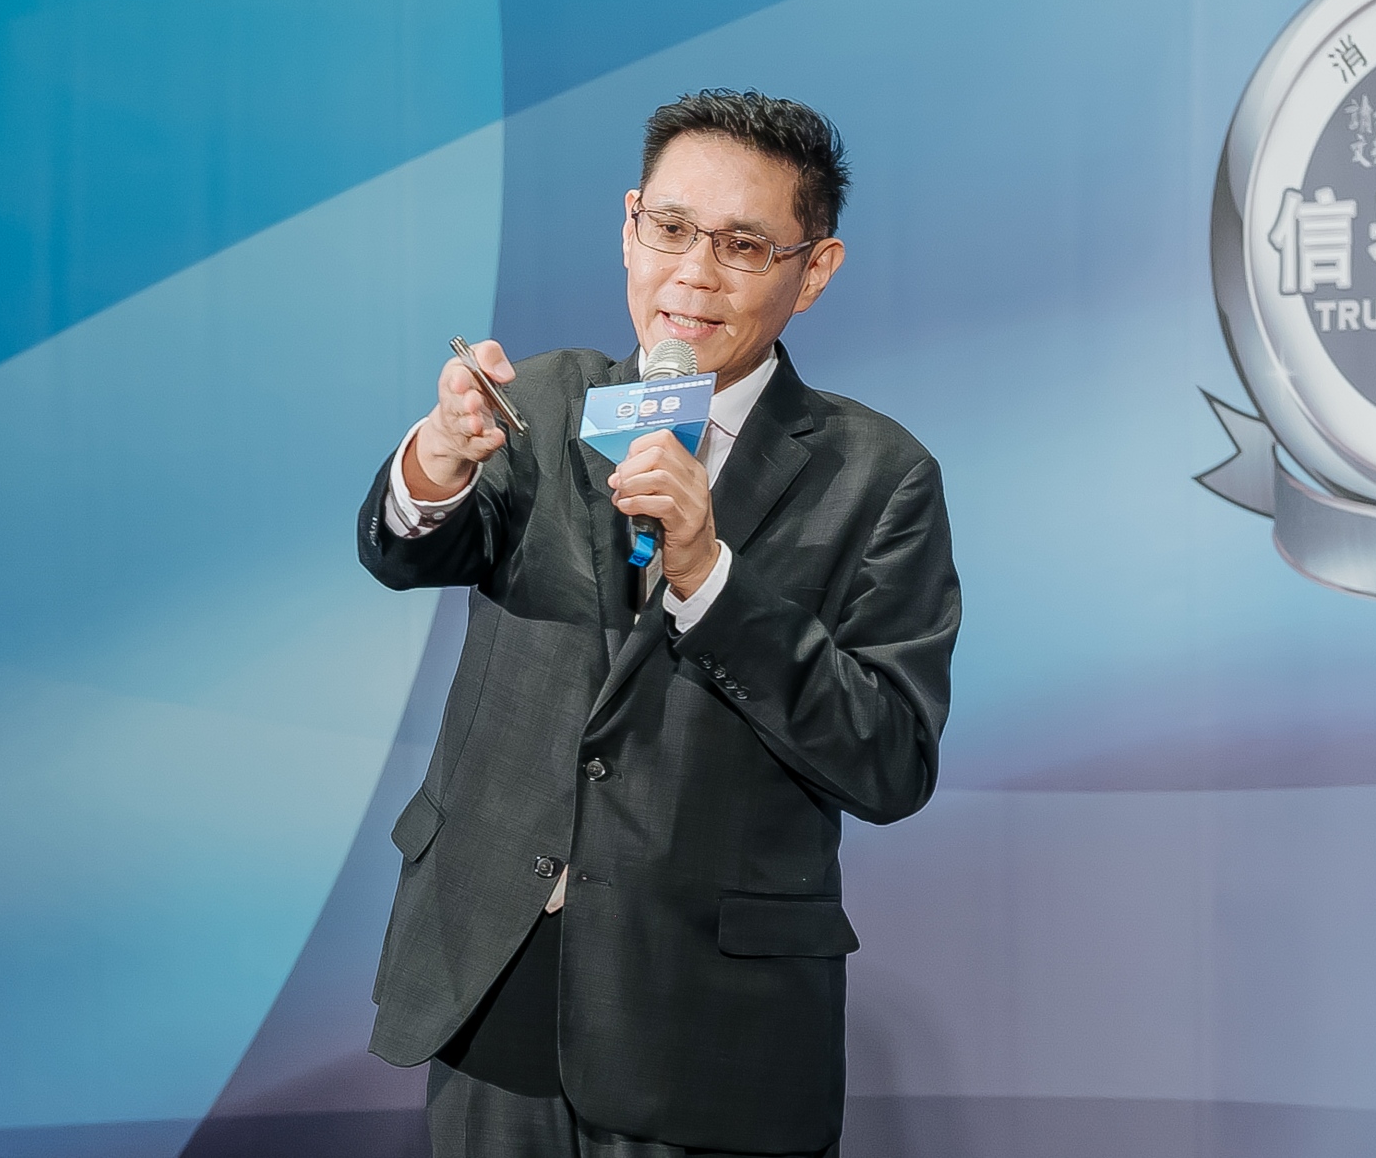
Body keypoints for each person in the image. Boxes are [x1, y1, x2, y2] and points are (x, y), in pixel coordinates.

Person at [357, 89, 961, 1158]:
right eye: (672, 228)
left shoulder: (877, 476)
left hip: (707, 1035)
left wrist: (710, 576)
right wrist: (435, 462)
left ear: (813, 269)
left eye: (743, 245)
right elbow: (411, 549)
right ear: (630, 224)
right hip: (491, 989)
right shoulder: (545, 404)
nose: (694, 272)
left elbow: (890, 759)